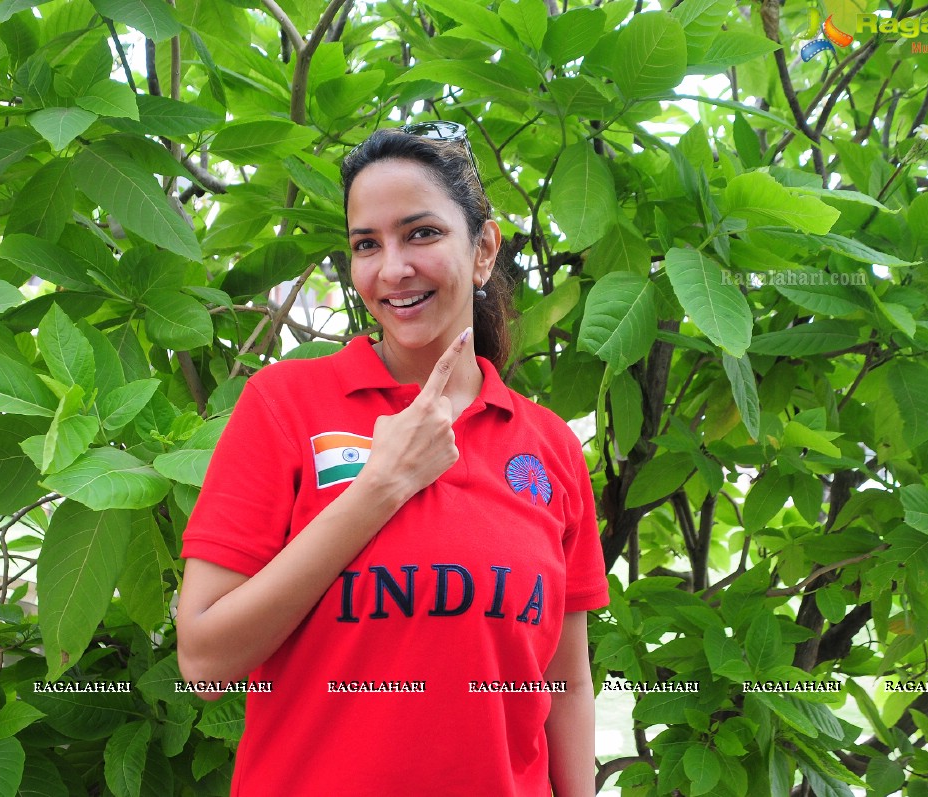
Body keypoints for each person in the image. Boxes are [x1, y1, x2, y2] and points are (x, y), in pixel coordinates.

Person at [176, 122, 609, 797]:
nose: (392, 269)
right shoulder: (283, 405)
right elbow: (205, 661)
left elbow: (567, 679)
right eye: (365, 245)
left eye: (421, 233)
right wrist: (382, 484)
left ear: (483, 248)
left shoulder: (548, 447)